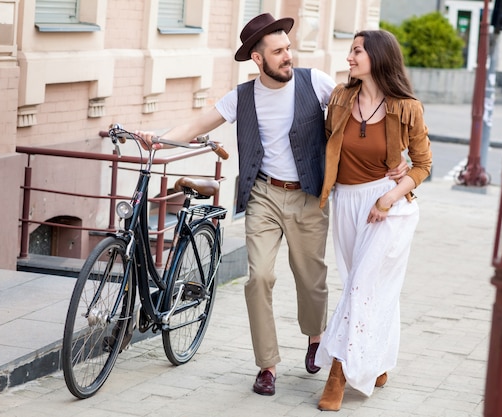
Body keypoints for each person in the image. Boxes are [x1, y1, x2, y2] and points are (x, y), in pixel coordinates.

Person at [137, 15, 407, 397]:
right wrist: (159, 141)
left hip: (308, 194)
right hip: (263, 194)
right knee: (259, 277)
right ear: (258, 60)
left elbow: (361, 108)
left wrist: (399, 160)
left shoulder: (314, 83)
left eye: (288, 48)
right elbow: (199, 123)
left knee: (310, 278)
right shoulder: (242, 97)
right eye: (278, 52)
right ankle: (267, 364)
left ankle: (316, 338)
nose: (287, 57)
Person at [314, 29, 432, 411]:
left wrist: (389, 197)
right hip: (346, 201)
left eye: (357, 51)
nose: (349, 58)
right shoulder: (340, 98)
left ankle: (339, 372)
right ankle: (378, 359)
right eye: (350, 51)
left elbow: (423, 164)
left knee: (362, 286)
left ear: (378, 57)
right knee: (364, 285)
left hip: (387, 206)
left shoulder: (406, 106)